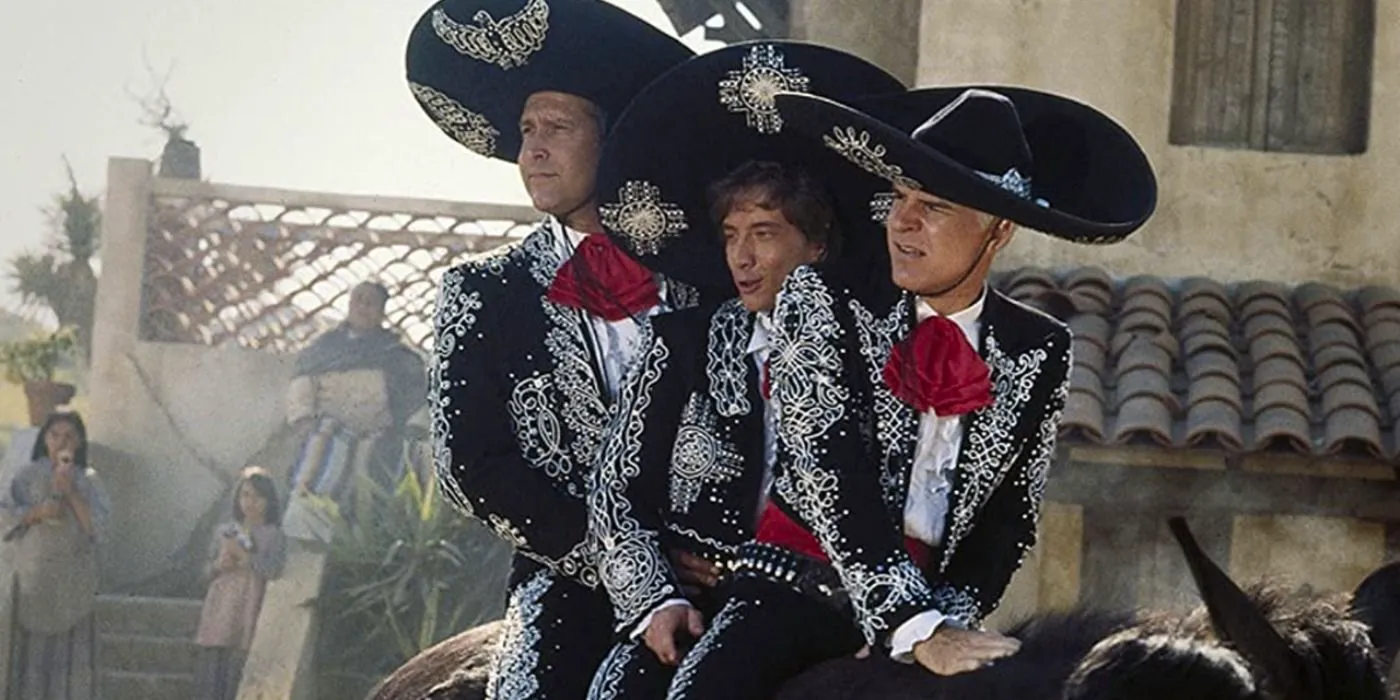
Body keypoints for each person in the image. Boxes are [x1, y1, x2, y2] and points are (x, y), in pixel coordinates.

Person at [663, 85, 1157, 693]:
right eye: (899, 198)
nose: (903, 222)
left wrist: (946, 616)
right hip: (795, 591)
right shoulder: (822, 299)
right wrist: (912, 625)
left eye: (934, 206)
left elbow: (1010, 518)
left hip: (937, 608)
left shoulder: (1041, 347)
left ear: (997, 229)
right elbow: (830, 473)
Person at [578, 40, 904, 700]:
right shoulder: (684, 341)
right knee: (615, 686)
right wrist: (655, 597)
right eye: (730, 234)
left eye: (764, 231)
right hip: (693, 605)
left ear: (815, 244)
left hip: (821, 610)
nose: (742, 256)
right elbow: (617, 493)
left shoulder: (873, 353)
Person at [405, 1, 697, 695]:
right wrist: (633, 567)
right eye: (526, 129)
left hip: (718, 566)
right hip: (570, 581)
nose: (530, 149)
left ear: (615, 138)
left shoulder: (706, 276)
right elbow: (471, 467)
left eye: (557, 128)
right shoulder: (485, 292)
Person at [284, 281, 427, 510]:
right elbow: (302, 386)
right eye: (358, 300)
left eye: (371, 303)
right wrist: (305, 421)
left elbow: (413, 397)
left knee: (390, 481)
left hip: (379, 435)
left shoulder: (397, 355)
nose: (363, 307)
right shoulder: (323, 348)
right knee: (315, 488)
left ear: (382, 311)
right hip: (328, 433)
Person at [2, 411, 110, 699]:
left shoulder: (90, 480)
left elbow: (98, 528)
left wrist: (72, 493)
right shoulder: (26, 477)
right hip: (33, 580)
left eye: (70, 436)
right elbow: (5, 516)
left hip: (73, 580)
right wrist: (36, 512)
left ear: (80, 442)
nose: (62, 441)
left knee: (70, 662)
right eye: (55, 435)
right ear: (44, 439)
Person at [193, 466, 287, 700]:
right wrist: (218, 565)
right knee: (213, 672)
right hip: (220, 609)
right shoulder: (224, 531)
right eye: (245, 495)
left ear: (269, 500)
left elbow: (273, 569)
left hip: (248, 607)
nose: (251, 502)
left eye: (258, 496)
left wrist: (246, 559)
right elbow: (204, 574)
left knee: (237, 673)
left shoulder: (274, 535)